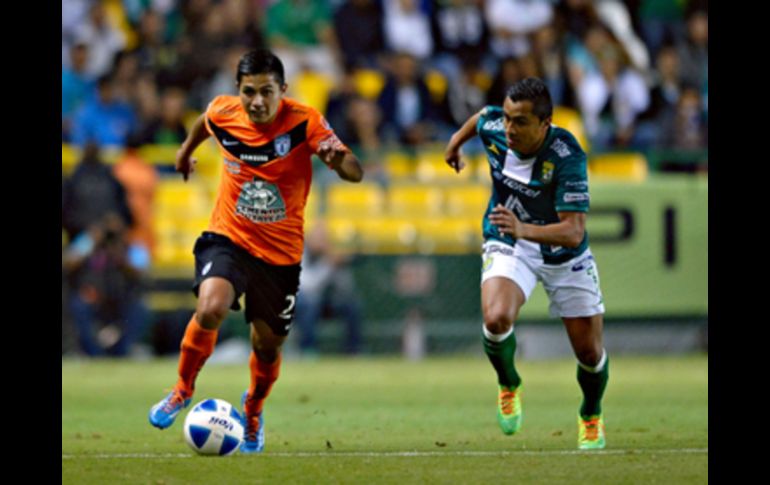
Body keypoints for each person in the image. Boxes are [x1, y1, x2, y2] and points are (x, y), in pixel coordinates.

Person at [148, 49, 364, 454]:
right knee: (210, 306)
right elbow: (204, 124)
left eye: (267, 91)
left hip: (279, 256)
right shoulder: (222, 112)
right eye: (249, 92)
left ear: (283, 90)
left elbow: (354, 168)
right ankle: (181, 390)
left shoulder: (305, 122)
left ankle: (253, 409)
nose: (258, 101)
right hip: (228, 236)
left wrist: (340, 162)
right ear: (238, 90)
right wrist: (184, 150)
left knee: (266, 346)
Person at [443, 77, 609, 450]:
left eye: (519, 121)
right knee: (496, 318)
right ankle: (509, 383)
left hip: (564, 254)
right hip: (509, 240)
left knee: (589, 353)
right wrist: (455, 143)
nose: (509, 128)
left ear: (544, 124)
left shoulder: (567, 156)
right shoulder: (495, 126)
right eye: (507, 118)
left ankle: (591, 413)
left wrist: (525, 227)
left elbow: (572, 232)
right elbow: (481, 117)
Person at [293, 222, 363, 356]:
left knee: (351, 305)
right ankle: (308, 349)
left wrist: (339, 267)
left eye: (324, 239)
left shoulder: (330, 255)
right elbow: (306, 285)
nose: (322, 243)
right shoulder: (300, 252)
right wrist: (328, 265)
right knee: (309, 304)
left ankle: (353, 350)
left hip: (325, 302)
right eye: (319, 238)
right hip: (299, 304)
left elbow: (345, 289)